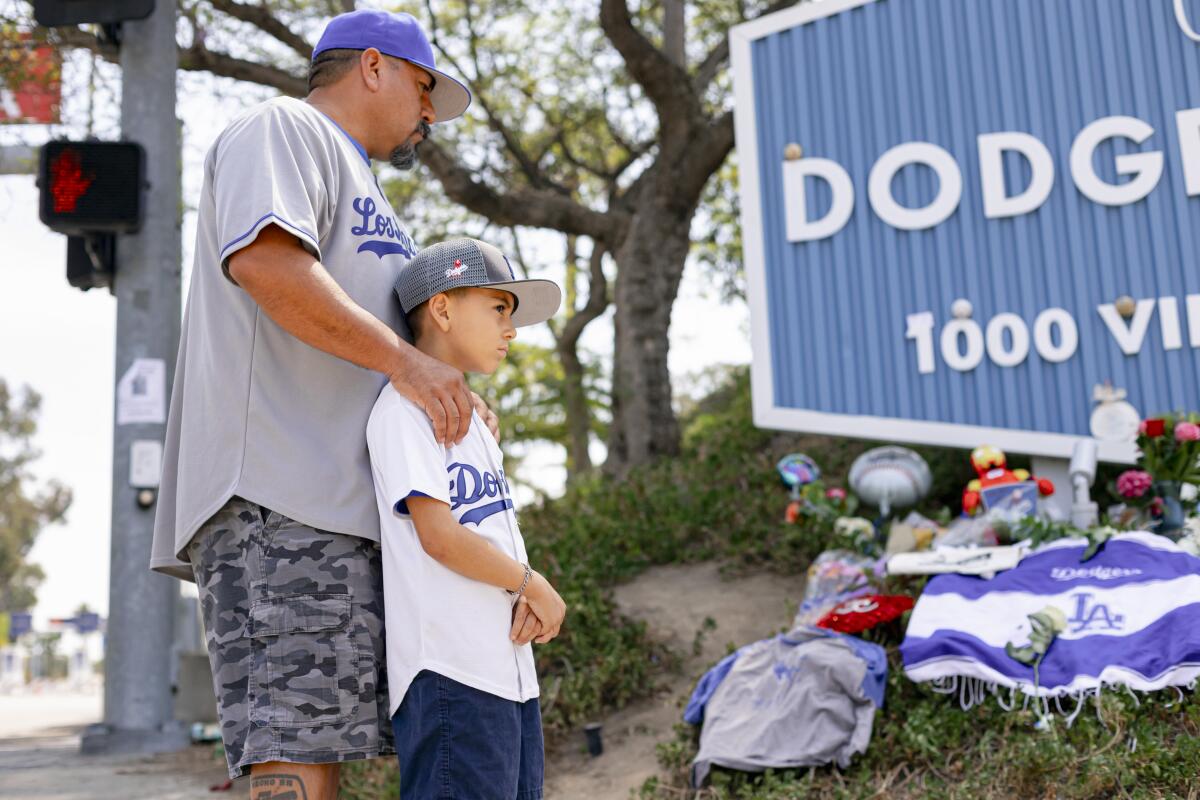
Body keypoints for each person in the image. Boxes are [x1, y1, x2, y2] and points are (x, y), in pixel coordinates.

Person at [148, 10, 499, 799]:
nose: (426, 119)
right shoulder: (283, 129)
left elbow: (392, 354)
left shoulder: (366, 185)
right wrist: (410, 365)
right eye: (422, 90)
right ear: (372, 66)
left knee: (322, 745)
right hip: (280, 495)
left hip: (337, 510)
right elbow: (268, 264)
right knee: (295, 744)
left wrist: (451, 401)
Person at [367, 238, 567, 799]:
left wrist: (521, 594)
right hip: (450, 673)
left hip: (507, 675)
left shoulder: (475, 423)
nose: (512, 328)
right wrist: (532, 583)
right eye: (498, 307)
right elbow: (439, 536)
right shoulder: (404, 409)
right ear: (444, 308)